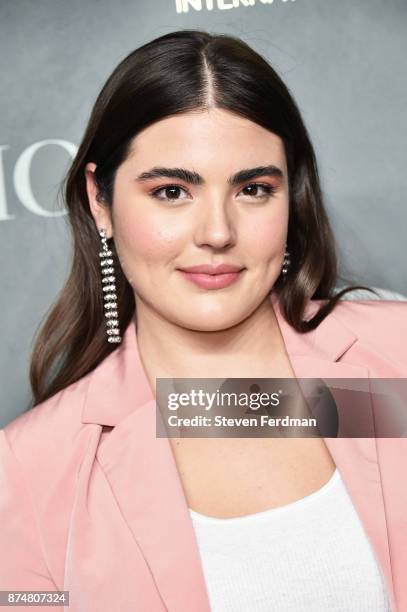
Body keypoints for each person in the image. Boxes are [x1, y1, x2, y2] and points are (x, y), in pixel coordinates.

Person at [1, 29, 406, 612]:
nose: (217, 232)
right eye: (171, 191)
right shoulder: (32, 471)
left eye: (253, 189)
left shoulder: (393, 364)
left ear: (291, 197)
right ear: (100, 201)